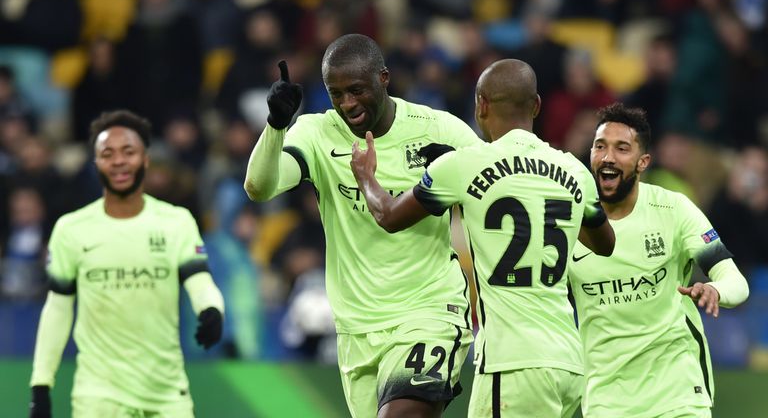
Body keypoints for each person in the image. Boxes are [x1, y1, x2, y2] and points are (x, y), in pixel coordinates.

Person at [349, 58, 615, 417]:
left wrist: (366, 176)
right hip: (569, 362)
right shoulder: (573, 170)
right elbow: (605, 243)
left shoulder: (464, 164)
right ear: (536, 106)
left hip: (513, 362)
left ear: (481, 105)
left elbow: (389, 216)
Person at [243, 33, 481, 417]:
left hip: (429, 311)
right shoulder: (316, 133)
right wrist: (275, 125)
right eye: (336, 94)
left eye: (356, 90)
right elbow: (259, 187)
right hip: (356, 329)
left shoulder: (440, 130)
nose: (347, 104)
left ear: (383, 78)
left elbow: (495, 196)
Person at [29, 110, 225, 418]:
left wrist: (211, 310)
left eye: (128, 151)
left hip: (166, 394)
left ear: (145, 159)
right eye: (107, 153)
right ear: (96, 164)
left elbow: (199, 281)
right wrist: (41, 384)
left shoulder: (176, 222)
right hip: (98, 396)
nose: (118, 161)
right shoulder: (71, 229)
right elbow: (58, 308)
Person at [568, 102, 750, 417]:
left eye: (622, 148)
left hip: (677, 393)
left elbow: (736, 281)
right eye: (601, 147)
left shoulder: (674, 209)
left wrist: (715, 290)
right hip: (606, 399)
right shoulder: (570, 221)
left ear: (643, 162)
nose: (608, 157)